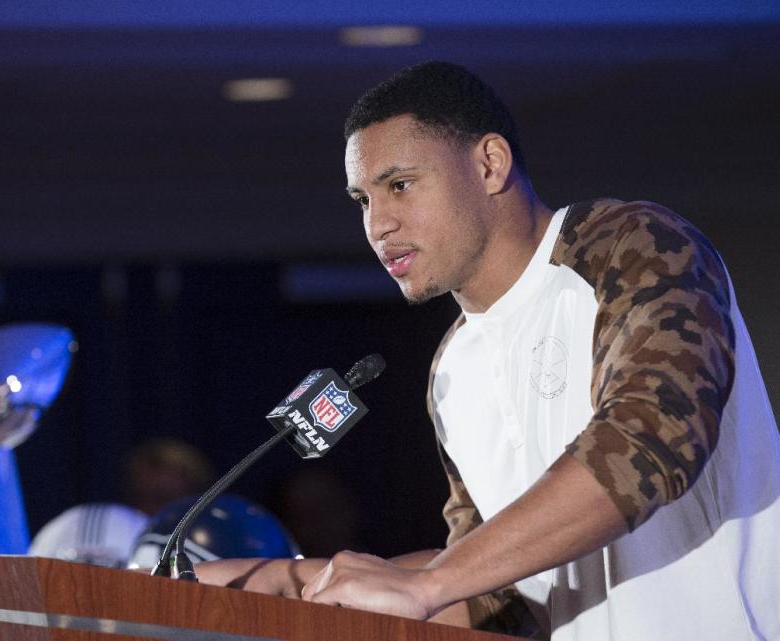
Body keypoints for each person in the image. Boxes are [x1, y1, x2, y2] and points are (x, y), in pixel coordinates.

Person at [198, 62, 780, 639]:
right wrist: (293, 583)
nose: (378, 224)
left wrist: (427, 584)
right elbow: (499, 600)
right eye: (362, 200)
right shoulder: (453, 368)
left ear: (489, 163)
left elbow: (652, 437)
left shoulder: (630, 245)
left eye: (400, 185)